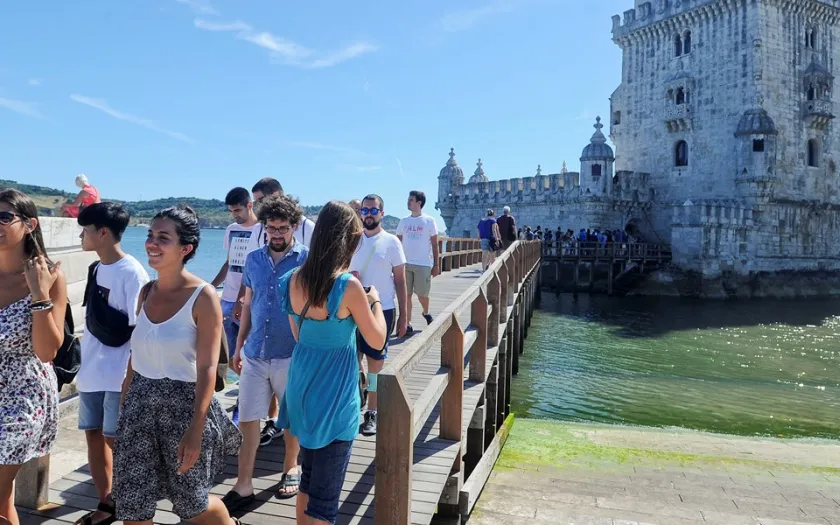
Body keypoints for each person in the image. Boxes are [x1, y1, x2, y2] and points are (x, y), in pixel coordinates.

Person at [112, 206, 242, 524]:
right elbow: (134, 359)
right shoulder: (146, 292)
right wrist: (124, 407)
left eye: (163, 238)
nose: (152, 244)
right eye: (150, 236)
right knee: (133, 506)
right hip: (139, 408)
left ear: (186, 248)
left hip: (183, 409)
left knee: (193, 507)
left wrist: (196, 430)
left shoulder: (203, 296)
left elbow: (208, 368)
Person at [278, 201, 387, 525]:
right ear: (349, 241)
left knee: (308, 480)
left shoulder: (291, 280)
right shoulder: (347, 286)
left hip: (302, 388)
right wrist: (375, 300)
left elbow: (299, 335)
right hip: (335, 396)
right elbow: (378, 340)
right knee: (326, 500)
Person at [224, 194, 308, 510]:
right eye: (271, 228)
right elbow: (248, 303)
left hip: (291, 353)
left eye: (282, 228)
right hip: (256, 351)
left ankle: (290, 466)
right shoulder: (255, 259)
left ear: (294, 227)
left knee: (290, 417)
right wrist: (238, 344)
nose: (276, 234)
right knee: (247, 417)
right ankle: (243, 483)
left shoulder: (307, 260)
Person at [75, 202, 149, 525]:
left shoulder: (132, 272)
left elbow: (141, 330)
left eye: (86, 230)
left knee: (116, 441)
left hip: (118, 373)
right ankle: (107, 501)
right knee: (93, 435)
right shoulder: (96, 268)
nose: (81, 236)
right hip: (92, 371)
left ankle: (130, 501)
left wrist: (131, 378)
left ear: (103, 233)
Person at [0, 189, 66, 525]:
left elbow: (46, 351)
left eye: (4, 217)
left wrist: (40, 293)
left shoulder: (48, 276)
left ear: (29, 224)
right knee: (2, 499)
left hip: (23, 396)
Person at [351, 194, 408, 436]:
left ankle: (371, 411)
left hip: (381, 309)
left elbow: (401, 281)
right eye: (365, 211)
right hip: (351, 309)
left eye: (374, 210)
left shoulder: (392, 242)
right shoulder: (352, 241)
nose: (369, 215)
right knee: (354, 360)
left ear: (382, 213)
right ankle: (360, 391)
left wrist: (405, 315)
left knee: (375, 363)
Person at [211, 187, 265, 426]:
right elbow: (230, 262)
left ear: (249, 205)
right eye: (231, 211)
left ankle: (248, 402)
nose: (235, 215)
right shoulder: (231, 230)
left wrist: (244, 297)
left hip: (248, 300)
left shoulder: (261, 230)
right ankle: (246, 398)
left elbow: (254, 269)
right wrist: (211, 286)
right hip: (227, 299)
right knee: (232, 356)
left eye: (238, 210)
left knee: (249, 354)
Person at [395, 190, 439, 333]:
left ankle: (426, 312)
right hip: (405, 264)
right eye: (408, 199)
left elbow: (435, 244)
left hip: (423, 264)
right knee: (406, 295)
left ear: (419, 203)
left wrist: (436, 264)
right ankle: (408, 323)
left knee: (422, 295)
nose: (408, 202)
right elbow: (397, 244)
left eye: (411, 200)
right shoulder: (404, 222)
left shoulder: (429, 221)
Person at [252, 177, 316, 248]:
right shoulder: (258, 229)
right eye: (255, 203)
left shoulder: (307, 227)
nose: (258, 206)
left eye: (260, 201)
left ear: (275, 194)